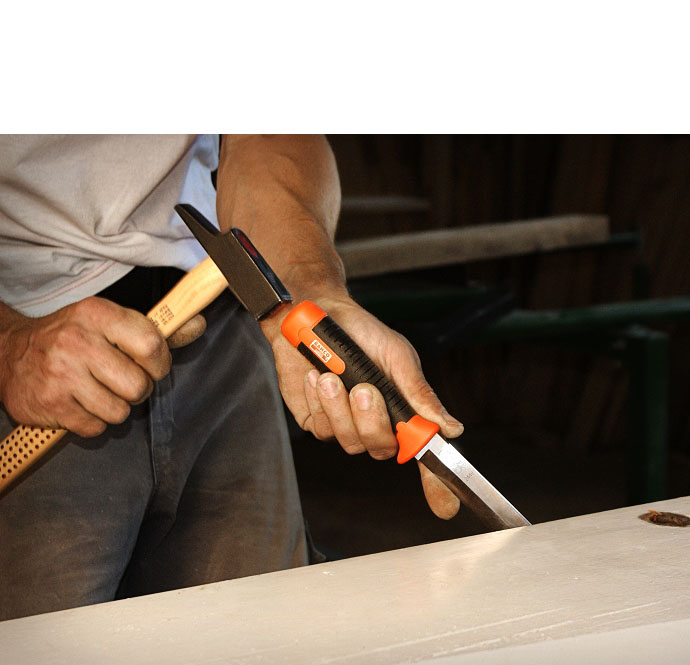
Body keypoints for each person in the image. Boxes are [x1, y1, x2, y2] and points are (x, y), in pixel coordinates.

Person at [0, 134, 463, 622]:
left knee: (263, 633)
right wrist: (10, 346)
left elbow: (265, 133)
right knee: (42, 648)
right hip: (46, 358)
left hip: (219, 322)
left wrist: (311, 290)